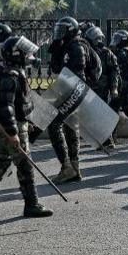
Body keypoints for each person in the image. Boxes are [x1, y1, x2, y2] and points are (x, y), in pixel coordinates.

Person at [0, 34, 53, 219]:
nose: (28, 56)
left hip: (12, 124)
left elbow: (16, 104)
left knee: (1, 163)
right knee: (25, 165)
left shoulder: (11, 71)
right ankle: (32, 205)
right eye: (24, 53)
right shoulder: (11, 75)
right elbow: (6, 106)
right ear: (16, 54)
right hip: (11, 126)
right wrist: (13, 131)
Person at [47, 17, 88, 183]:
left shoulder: (76, 47)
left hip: (74, 88)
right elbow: (56, 68)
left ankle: (67, 167)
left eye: (62, 30)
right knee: (70, 125)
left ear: (70, 30)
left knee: (53, 124)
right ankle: (74, 167)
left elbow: (73, 71)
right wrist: (55, 50)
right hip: (69, 88)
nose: (59, 33)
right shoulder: (66, 46)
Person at [84, 25, 120, 150]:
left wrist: (114, 87)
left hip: (102, 88)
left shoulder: (106, 53)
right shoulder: (87, 52)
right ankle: (102, 139)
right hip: (90, 87)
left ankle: (108, 141)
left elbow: (114, 71)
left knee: (101, 114)